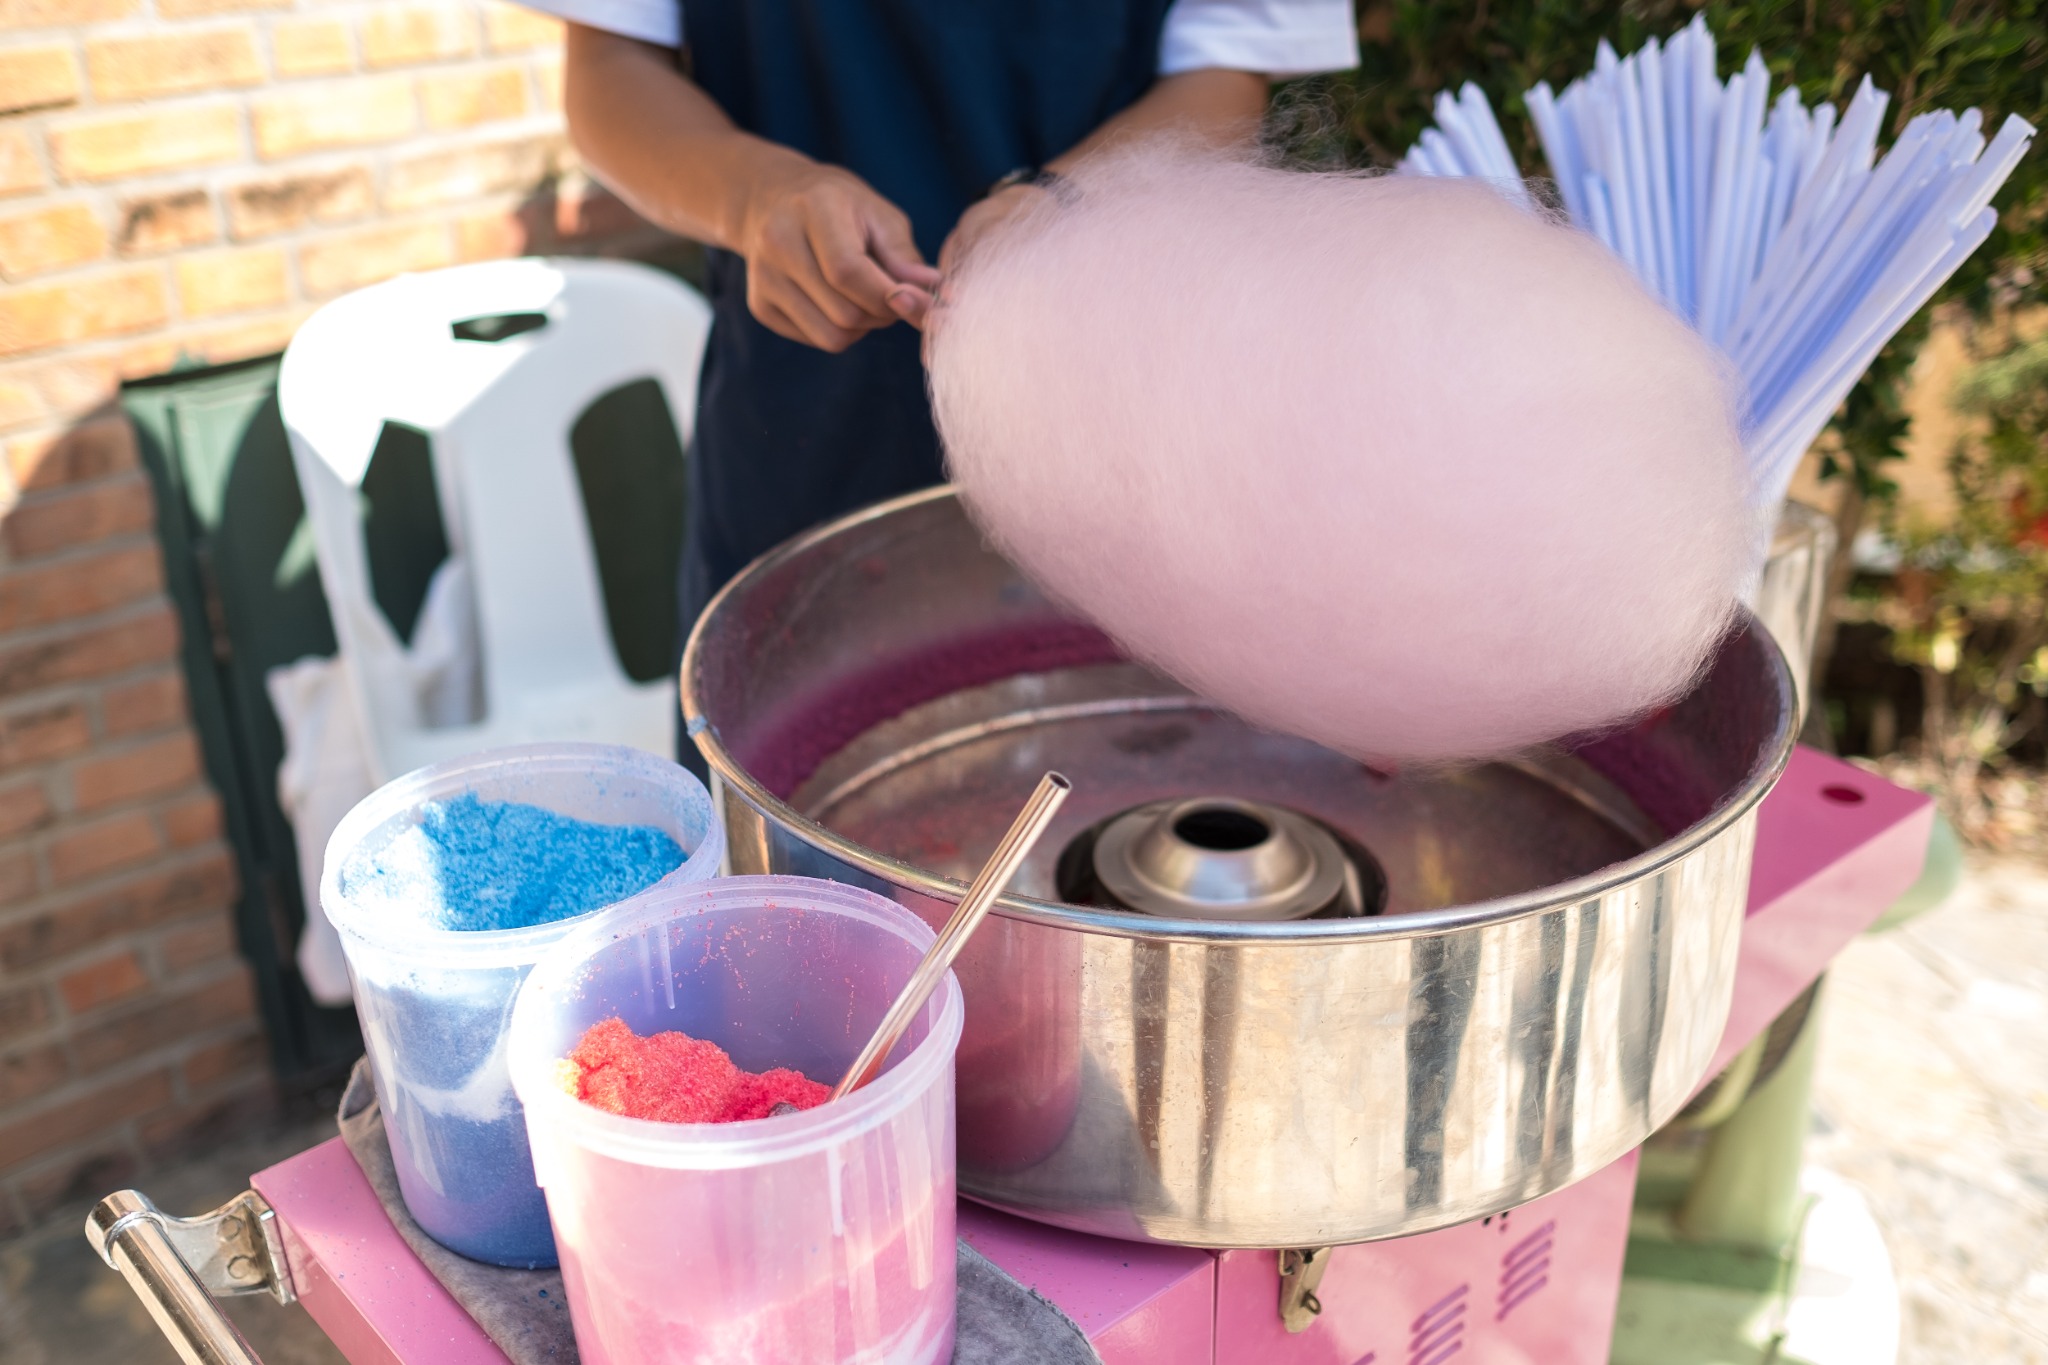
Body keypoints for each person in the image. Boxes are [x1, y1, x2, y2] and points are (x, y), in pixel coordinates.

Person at [510, 0, 1358, 751]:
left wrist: (1065, 204)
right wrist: (755, 198)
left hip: (1125, 452)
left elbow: (1225, 79)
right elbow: (610, 69)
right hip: (805, 438)